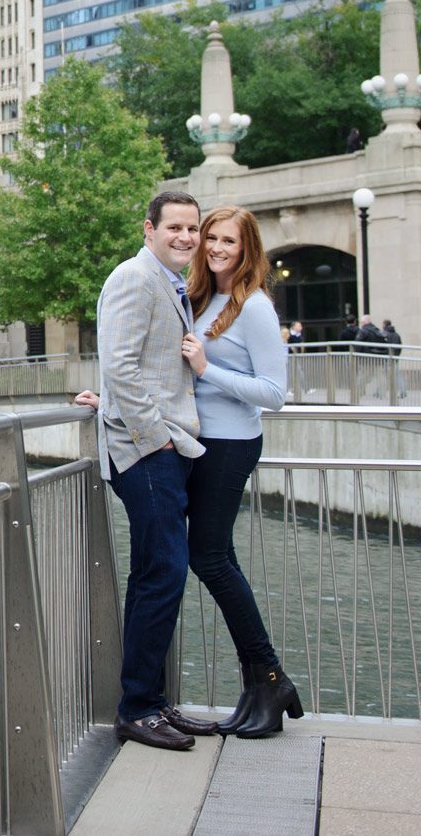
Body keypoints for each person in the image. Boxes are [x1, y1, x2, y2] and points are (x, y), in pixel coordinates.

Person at [93, 189, 210, 751]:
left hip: (163, 447)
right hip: (146, 452)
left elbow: (136, 365)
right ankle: (138, 707)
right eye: (175, 228)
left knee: (155, 576)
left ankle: (153, 703)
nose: (186, 237)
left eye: (193, 229)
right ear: (149, 229)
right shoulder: (133, 278)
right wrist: (155, 440)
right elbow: (118, 364)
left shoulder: (171, 283)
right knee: (163, 573)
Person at [181, 205, 304, 737]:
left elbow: (275, 394)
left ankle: (270, 675)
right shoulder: (202, 298)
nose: (215, 248)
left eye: (228, 240)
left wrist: (210, 370)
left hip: (232, 444)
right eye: (211, 238)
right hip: (200, 442)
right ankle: (261, 685)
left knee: (208, 557)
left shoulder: (252, 306)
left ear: (247, 247)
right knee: (212, 556)